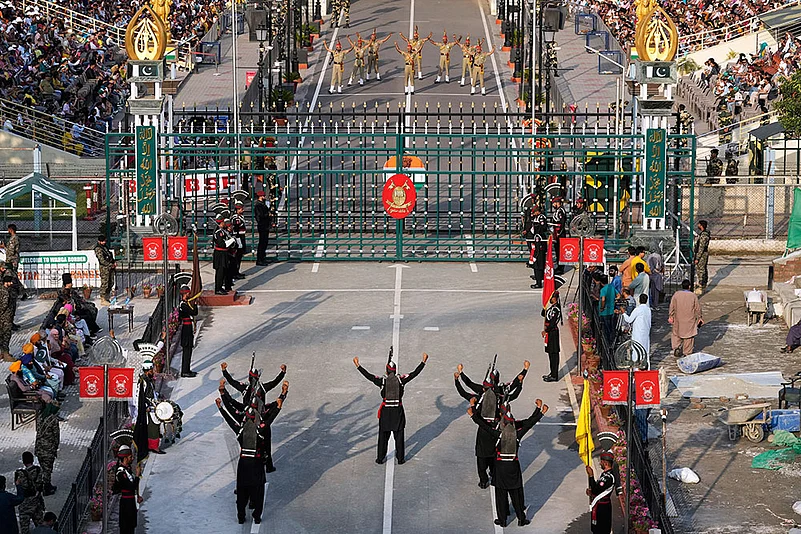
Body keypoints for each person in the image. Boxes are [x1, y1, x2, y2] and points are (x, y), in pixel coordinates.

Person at [216, 382, 288, 525]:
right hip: (256, 463)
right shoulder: (260, 428)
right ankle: (256, 516)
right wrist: (280, 404)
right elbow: (270, 418)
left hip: (243, 464)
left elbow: (230, 417)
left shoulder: (240, 428)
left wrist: (221, 407)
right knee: (258, 490)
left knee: (242, 490)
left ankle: (241, 517)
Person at [469, 399, 548, 527]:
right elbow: (529, 424)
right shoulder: (517, 434)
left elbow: (482, 424)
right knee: (516, 494)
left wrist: (473, 414)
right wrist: (540, 412)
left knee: (501, 496)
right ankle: (521, 519)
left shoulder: (498, 434)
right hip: (513, 467)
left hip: (500, 467)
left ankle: (502, 520)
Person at [354, 349, 428, 464]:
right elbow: (414, 373)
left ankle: (380, 458)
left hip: (386, 413)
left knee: (383, 437)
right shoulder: (401, 380)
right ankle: (400, 459)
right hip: (397, 412)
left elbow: (369, 376)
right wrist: (423, 362)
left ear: (387, 371)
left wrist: (358, 366)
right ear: (395, 370)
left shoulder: (382, 381)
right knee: (399, 437)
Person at [586, 451, 622, 534]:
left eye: (601, 462)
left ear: (605, 463)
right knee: (597, 528)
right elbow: (598, 489)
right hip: (601, 505)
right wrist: (591, 492)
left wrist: (591, 476)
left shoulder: (607, 477)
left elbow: (596, 490)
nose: (599, 463)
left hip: (602, 508)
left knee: (601, 530)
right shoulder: (605, 474)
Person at [669, 279, 704, 357]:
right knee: (689, 337)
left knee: (676, 334)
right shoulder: (693, 296)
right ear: (689, 286)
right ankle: (687, 353)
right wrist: (700, 317)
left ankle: (676, 347)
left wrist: (671, 315)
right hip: (689, 319)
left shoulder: (676, 294)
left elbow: (672, 306)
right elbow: (697, 308)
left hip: (678, 318)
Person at [112, 445, 142, 534]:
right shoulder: (121, 473)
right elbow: (131, 486)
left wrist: (137, 495)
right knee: (126, 526)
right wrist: (137, 475)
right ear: (125, 458)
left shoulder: (127, 470)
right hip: (126, 503)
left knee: (131, 525)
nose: (132, 458)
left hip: (131, 501)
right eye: (130, 457)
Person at [35, 403, 60, 497]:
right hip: (48, 448)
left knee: (43, 468)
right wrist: (56, 447)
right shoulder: (53, 419)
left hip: (39, 447)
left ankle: (44, 485)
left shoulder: (41, 416)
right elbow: (56, 435)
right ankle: (46, 488)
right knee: (48, 469)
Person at [620, 294, 652, 368]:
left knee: (636, 349)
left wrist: (624, 313)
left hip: (638, 333)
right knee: (645, 350)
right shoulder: (648, 310)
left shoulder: (637, 309)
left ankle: (636, 368)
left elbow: (629, 320)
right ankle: (647, 367)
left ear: (639, 300)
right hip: (646, 332)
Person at [16, 451, 44, 534]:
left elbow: (20, 489)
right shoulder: (38, 470)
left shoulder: (20, 474)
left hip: (25, 504)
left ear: (24, 462)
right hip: (37, 501)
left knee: (25, 528)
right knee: (40, 526)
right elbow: (41, 485)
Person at [523, 203, 548, 289]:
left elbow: (543, 228)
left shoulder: (541, 217)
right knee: (536, 261)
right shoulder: (536, 218)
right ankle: (538, 278)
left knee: (538, 261)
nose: (533, 214)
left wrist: (537, 229)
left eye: (534, 212)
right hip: (536, 240)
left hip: (539, 241)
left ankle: (539, 281)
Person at [177, 285, 198, 378]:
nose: (189, 294)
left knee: (189, 350)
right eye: (188, 293)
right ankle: (184, 371)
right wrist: (195, 304)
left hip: (188, 327)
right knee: (187, 350)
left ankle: (187, 369)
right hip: (186, 329)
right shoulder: (183, 305)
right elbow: (194, 312)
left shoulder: (185, 303)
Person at [541, 291, 562, 382]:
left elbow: (553, 323)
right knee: (550, 354)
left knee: (554, 354)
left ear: (555, 298)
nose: (550, 299)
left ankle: (554, 375)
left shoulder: (556, 309)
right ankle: (552, 372)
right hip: (549, 333)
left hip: (553, 333)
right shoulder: (552, 307)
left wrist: (546, 330)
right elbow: (543, 314)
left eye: (551, 297)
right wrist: (544, 306)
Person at [94, 234, 116, 306]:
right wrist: (110, 265)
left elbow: (109, 256)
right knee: (105, 283)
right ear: (99, 241)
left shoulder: (105, 247)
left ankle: (107, 297)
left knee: (111, 282)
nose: (104, 242)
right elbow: (102, 260)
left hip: (110, 268)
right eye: (102, 241)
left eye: (104, 241)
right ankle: (103, 299)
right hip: (105, 269)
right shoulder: (98, 249)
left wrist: (113, 262)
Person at [213, 216, 231, 295]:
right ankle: (218, 288)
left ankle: (221, 286)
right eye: (223, 222)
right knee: (220, 271)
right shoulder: (218, 232)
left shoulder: (223, 231)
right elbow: (221, 244)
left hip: (224, 253)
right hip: (220, 254)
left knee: (224, 271)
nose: (224, 223)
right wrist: (230, 241)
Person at [599, 274, 617, 348]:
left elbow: (603, 299)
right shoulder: (612, 287)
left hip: (605, 312)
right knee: (611, 327)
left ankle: (608, 344)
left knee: (606, 329)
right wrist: (614, 301)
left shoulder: (603, 290)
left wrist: (602, 307)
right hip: (611, 310)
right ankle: (612, 342)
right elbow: (618, 295)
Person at [231, 201, 247, 280]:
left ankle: (236, 271)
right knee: (237, 256)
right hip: (238, 237)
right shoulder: (235, 218)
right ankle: (235, 272)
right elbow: (235, 230)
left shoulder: (240, 217)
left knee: (240, 256)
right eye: (241, 209)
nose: (242, 210)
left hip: (241, 236)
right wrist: (238, 241)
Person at [253, 191, 271, 266]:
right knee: (262, 243)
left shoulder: (262, 204)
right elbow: (260, 215)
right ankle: (259, 259)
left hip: (265, 225)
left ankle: (263, 257)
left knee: (265, 242)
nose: (264, 197)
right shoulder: (258, 205)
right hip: (262, 225)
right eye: (263, 196)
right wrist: (267, 214)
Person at [694, 220, 711, 294]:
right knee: (702, 269)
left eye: (699, 224)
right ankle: (702, 284)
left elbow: (701, 247)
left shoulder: (704, 235)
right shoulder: (703, 234)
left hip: (702, 255)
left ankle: (701, 286)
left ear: (701, 225)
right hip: (702, 254)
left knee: (701, 270)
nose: (698, 225)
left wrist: (697, 258)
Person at [1, 271, 14, 361]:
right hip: (5, 318)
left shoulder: (2, 289)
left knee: (1, 335)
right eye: (10, 282)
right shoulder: (5, 292)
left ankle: (3, 352)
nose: (11, 283)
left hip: (4, 317)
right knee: (6, 335)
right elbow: (4, 305)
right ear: (6, 282)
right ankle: (6, 354)